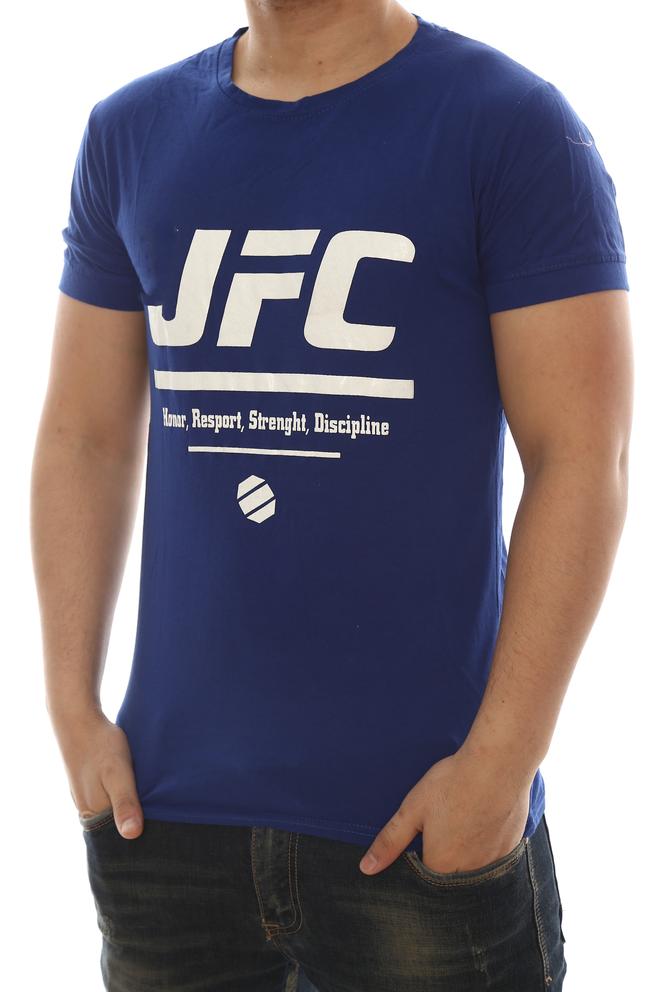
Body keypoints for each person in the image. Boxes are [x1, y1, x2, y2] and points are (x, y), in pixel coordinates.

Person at [30, 1, 633, 989]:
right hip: (165, 829)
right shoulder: (129, 132)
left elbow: (581, 455)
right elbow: (81, 438)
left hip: (422, 833)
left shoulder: (509, 123)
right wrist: (68, 708)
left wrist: (499, 766)